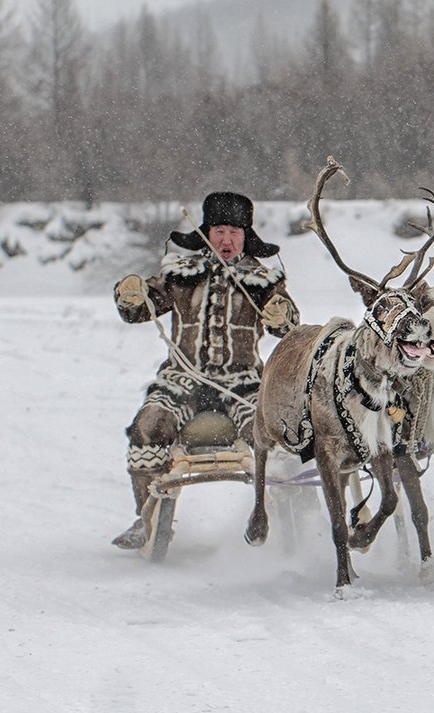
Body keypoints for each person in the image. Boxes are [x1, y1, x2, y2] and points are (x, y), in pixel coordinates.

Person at [111, 192, 300, 549]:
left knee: (275, 440)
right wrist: (130, 294)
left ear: (246, 235)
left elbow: (287, 323)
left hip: (243, 385)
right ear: (206, 233)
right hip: (182, 380)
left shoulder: (263, 281)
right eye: (218, 231)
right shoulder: (181, 276)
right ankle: (147, 519)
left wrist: (282, 316)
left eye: (234, 232)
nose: (226, 240)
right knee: (148, 428)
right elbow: (140, 309)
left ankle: (283, 523)